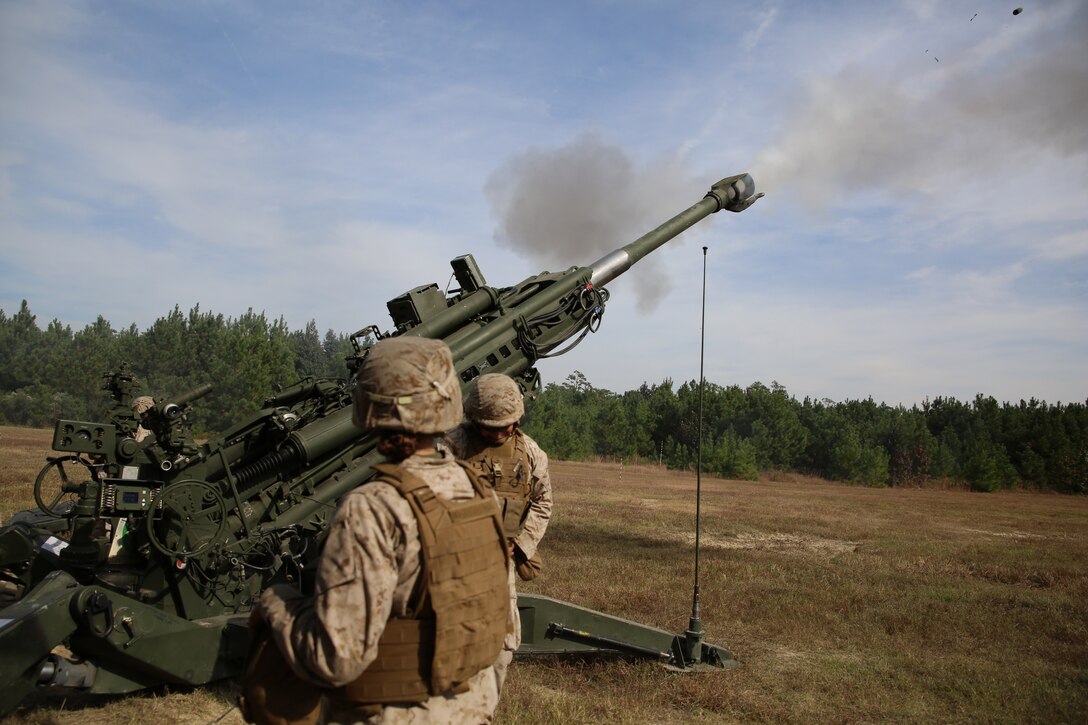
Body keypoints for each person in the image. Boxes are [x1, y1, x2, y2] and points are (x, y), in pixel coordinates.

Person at [245, 337, 512, 724]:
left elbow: (336, 657)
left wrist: (275, 603)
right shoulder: (478, 490)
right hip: (472, 710)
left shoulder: (372, 507)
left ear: (370, 404)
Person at [446, 373, 553, 693]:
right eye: (491, 427)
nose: (500, 432)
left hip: (499, 566)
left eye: (506, 425)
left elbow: (543, 502)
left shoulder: (530, 454)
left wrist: (520, 546)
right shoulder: (452, 446)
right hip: (454, 566)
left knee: (501, 651)